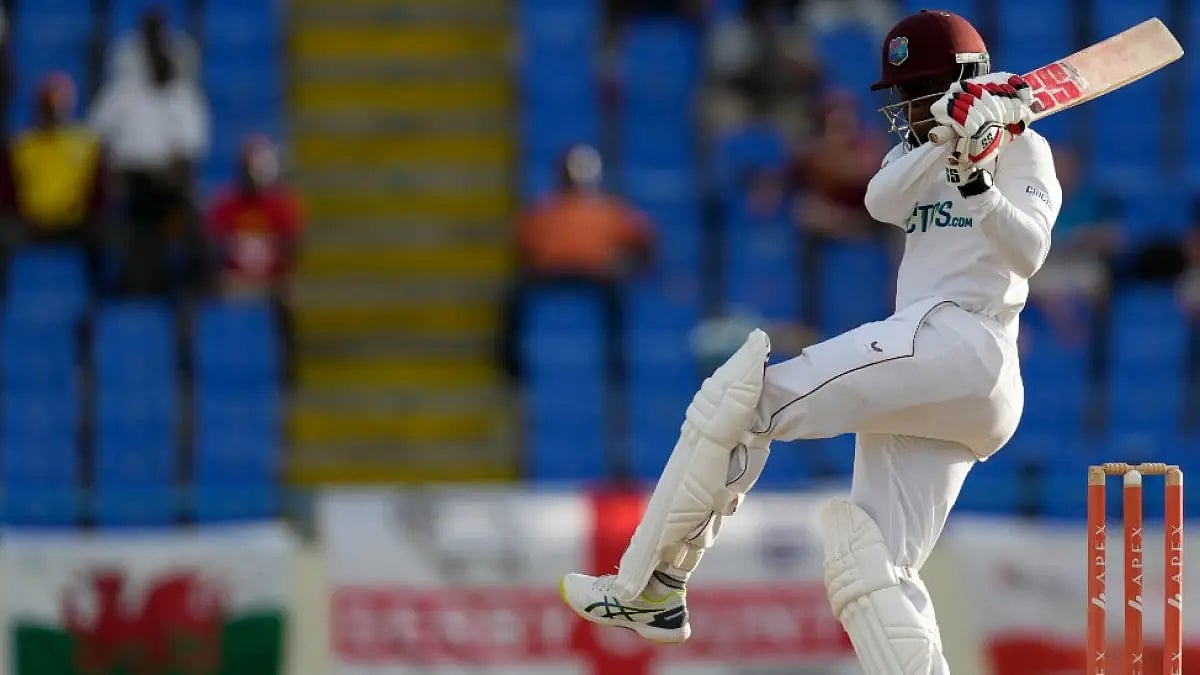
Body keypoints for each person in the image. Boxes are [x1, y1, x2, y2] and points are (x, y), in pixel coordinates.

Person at [560, 10, 1059, 674]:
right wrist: (949, 139)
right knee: (871, 562)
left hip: (964, 343)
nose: (905, 111)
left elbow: (1028, 252)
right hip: (936, 376)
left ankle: (648, 584)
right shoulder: (920, 148)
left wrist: (981, 179)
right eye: (903, 99)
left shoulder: (1026, 148)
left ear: (954, 81)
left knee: (743, 399)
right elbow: (882, 199)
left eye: (916, 95)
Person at [499, 144, 655, 381]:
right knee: (515, 295)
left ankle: (616, 362)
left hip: (593, 275)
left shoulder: (606, 209)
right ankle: (512, 365)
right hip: (553, 274)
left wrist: (634, 266)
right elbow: (522, 243)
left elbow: (644, 238)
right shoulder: (548, 209)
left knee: (616, 299)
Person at [89, 8, 209, 295]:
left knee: (191, 216)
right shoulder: (121, 95)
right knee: (116, 212)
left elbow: (190, 152)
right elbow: (96, 141)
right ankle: (125, 285)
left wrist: (169, 176)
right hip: (129, 181)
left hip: (168, 184)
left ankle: (185, 287)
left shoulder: (184, 98)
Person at [7, 73, 106, 248]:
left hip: (75, 225)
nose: (53, 111)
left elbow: (98, 194)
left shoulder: (87, 144)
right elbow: (8, 193)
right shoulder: (21, 146)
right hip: (30, 226)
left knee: (104, 233)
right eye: (48, 105)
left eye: (58, 105)